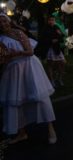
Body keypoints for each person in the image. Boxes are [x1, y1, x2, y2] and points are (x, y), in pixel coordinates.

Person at [0, 14, 57, 144]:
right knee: (15, 101)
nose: (2, 24)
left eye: (4, 21)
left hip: (29, 66)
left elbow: (30, 51)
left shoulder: (18, 33)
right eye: (0, 23)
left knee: (39, 98)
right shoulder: (1, 39)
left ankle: (50, 129)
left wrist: (14, 53)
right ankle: (22, 133)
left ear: (9, 21)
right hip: (12, 71)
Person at [37, 15, 66, 87]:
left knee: (62, 63)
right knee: (50, 64)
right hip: (49, 49)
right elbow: (42, 39)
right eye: (50, 20)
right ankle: (51, 80)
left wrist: (58, 38)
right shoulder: (45, 29)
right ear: (47, 21)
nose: (51, 21)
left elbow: (61, 37)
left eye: (53, 20)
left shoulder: (56, 27)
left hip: (57, 48)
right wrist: (50, 41)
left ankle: (59, 78)